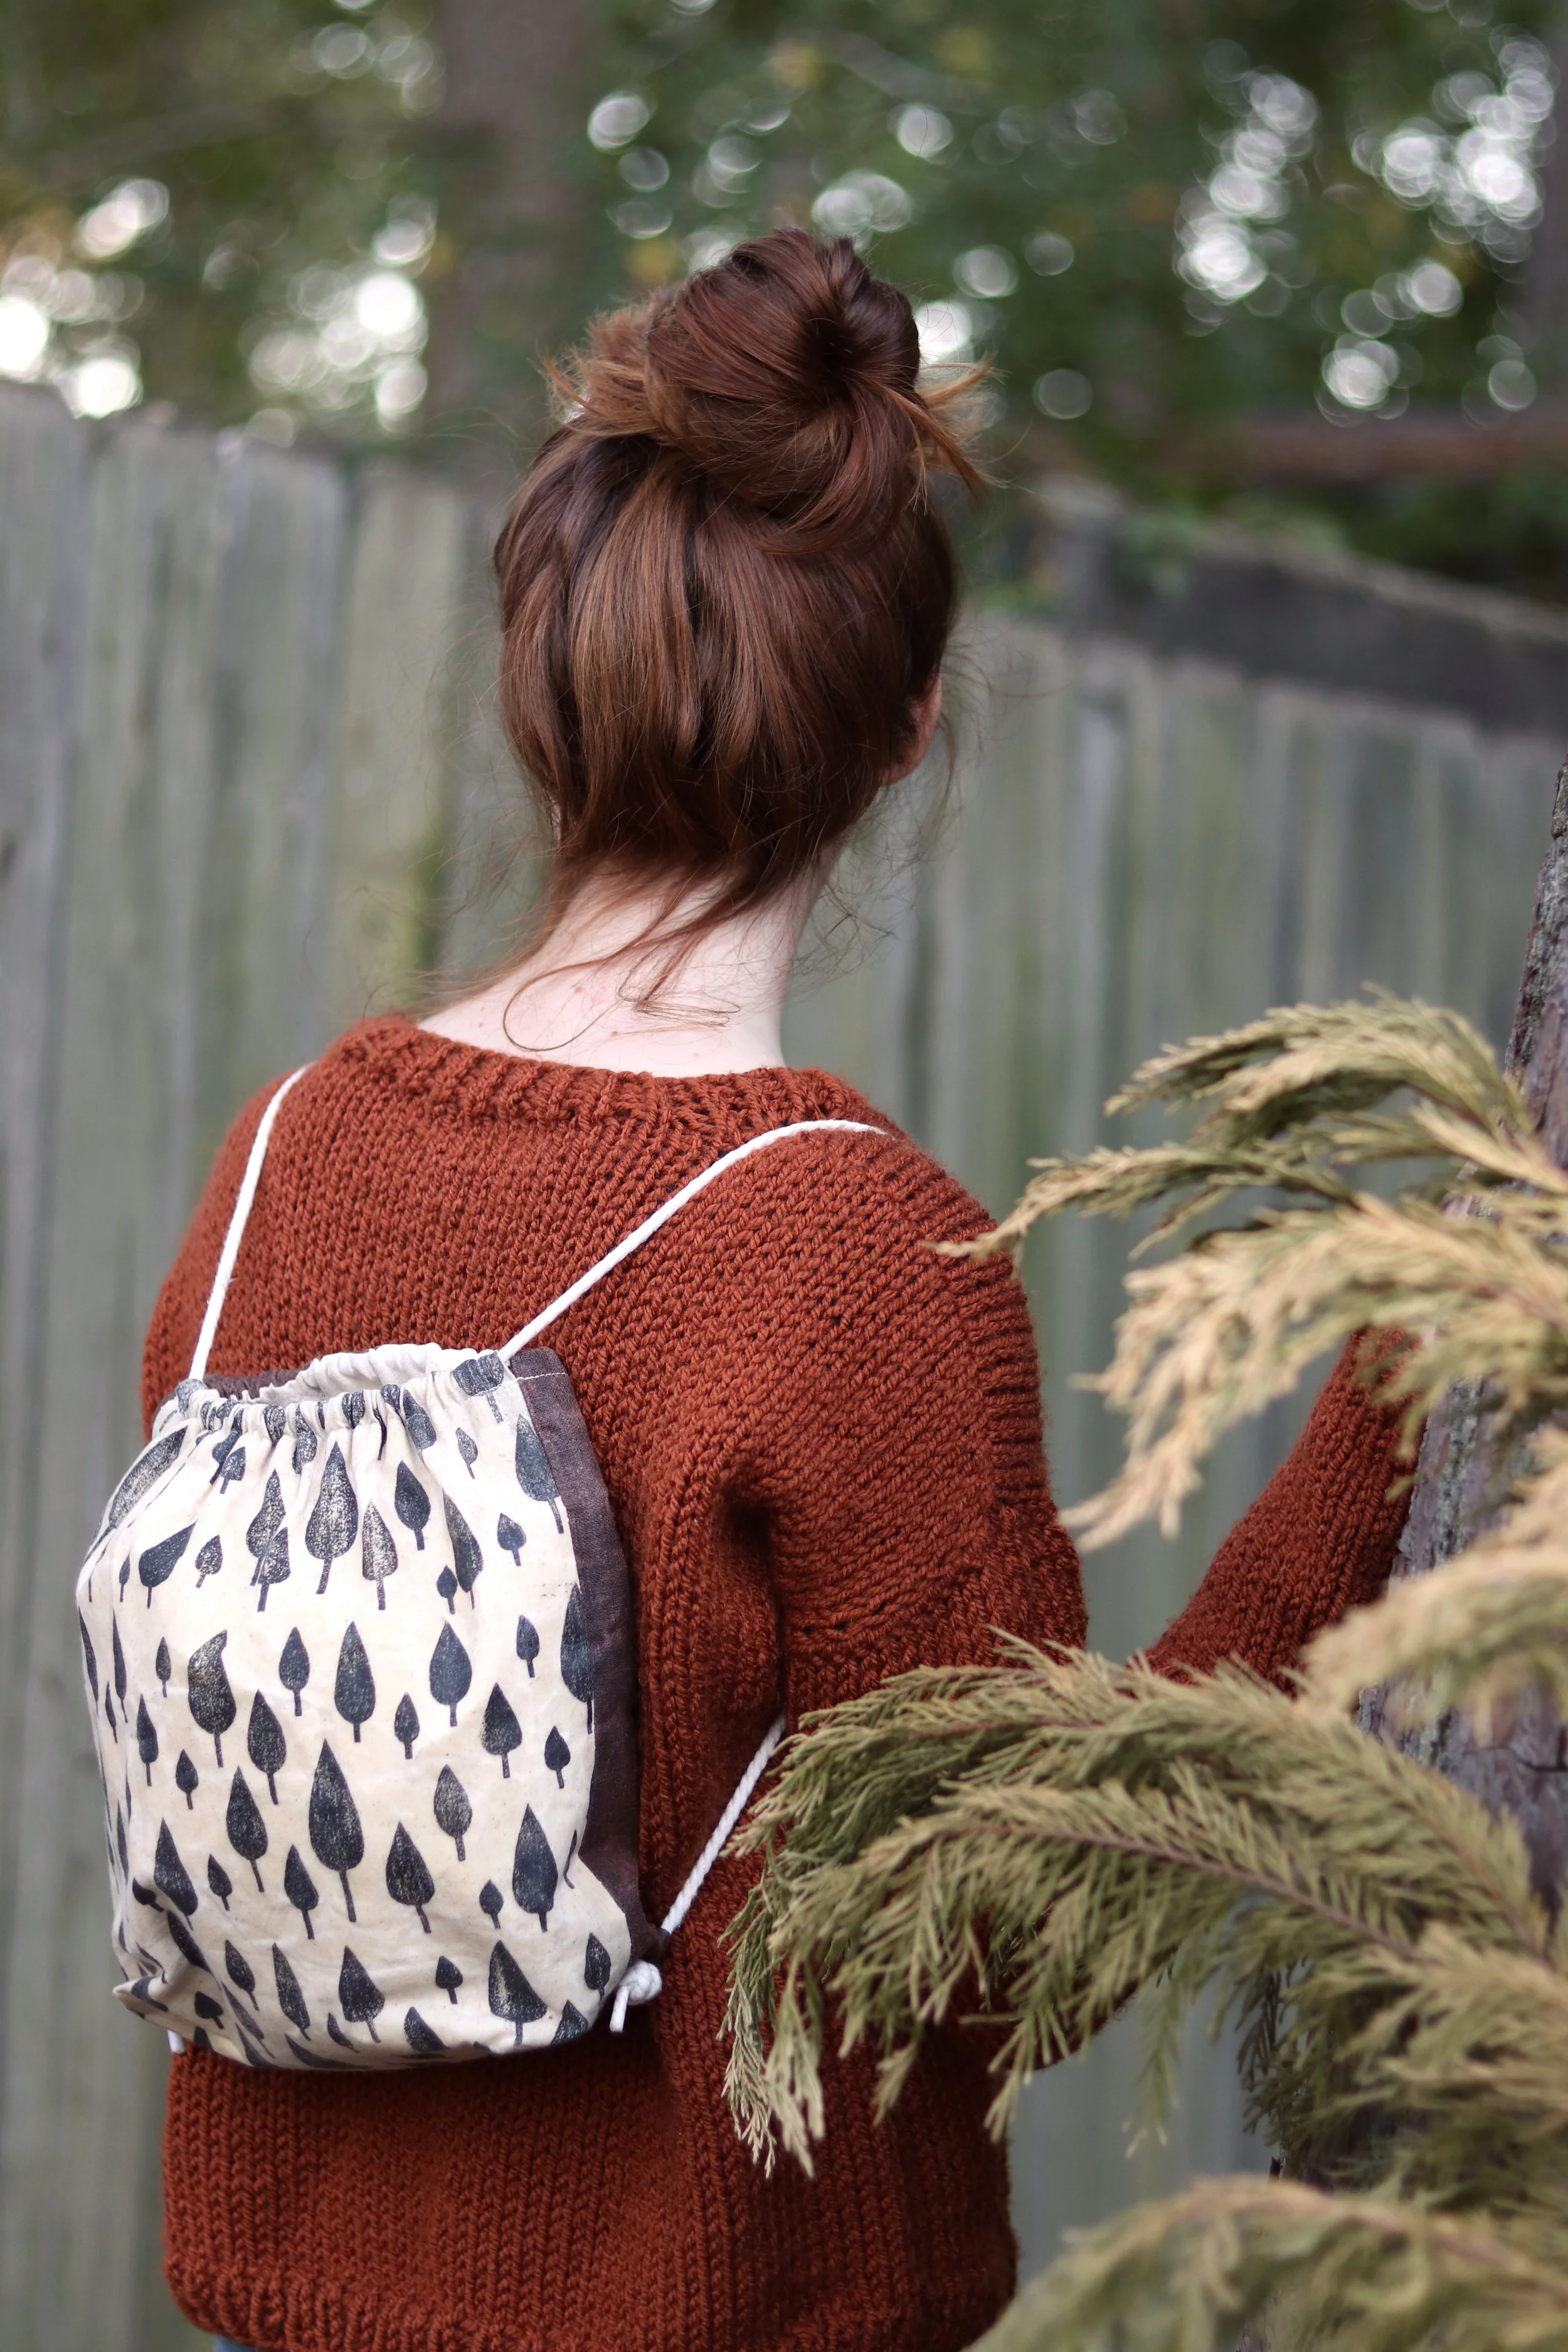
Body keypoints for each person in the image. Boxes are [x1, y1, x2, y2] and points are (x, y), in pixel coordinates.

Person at [146, 231, 1409, 2352]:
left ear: (540, 676)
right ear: (909, 724)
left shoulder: (275, 1162)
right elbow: (1004, 1939)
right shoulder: (838, 1247)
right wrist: (1390, 1417)